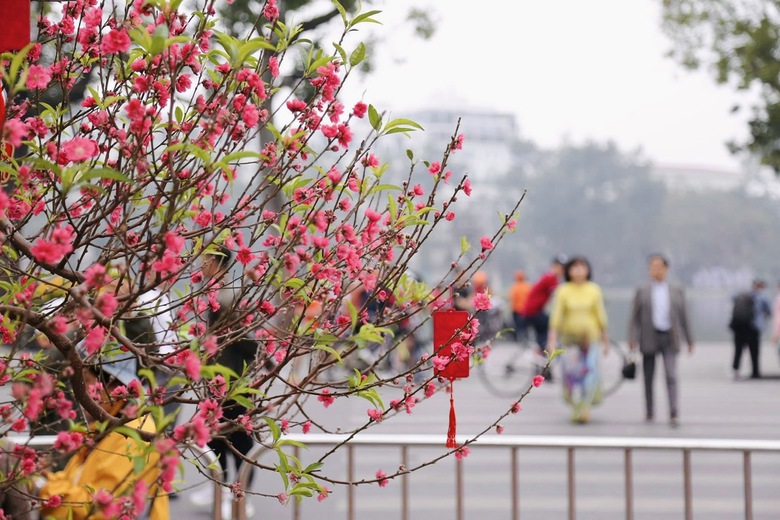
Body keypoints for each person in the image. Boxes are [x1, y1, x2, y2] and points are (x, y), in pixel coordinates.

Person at [33, 348, 169, 519]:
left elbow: (98, 509)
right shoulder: (107, 424)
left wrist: (41, 487)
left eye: (87, 382)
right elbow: (78, 479)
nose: (77, 392)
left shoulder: (134, 436)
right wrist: (48, 478)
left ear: (115, 387)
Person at [190, 246, 257, 518]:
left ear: (216, 262)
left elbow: (248, 341)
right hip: (217, 378)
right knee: (216, 437)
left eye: (204, 260)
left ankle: (239, 494)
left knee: (240, 439)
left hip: (232, 380)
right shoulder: (213, 292)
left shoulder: (227, 295)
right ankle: (220, 486)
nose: (200, 265)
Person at [628, 254, 694, 427]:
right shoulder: (642, 290)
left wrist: (689, 339)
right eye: (652, 267)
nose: (655, 270)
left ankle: (673, 412)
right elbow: (634, 317)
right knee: (648, 377)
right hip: (649, 336)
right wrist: (632, 338)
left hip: (669, 337)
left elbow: (684, 316)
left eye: (658, 267)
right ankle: (649, 411)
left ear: (666, 269)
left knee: (671, 375)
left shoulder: (676, 290)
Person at [547, 256, 609, 424]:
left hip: (590, 341)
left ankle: (583, 409)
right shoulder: (563, 290)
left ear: (588, 270)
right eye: (575, 266)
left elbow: (600, 315)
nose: (579, 270)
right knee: (571, 377)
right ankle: (575, 405)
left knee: (589, 376)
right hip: (570, 342)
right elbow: (556, 317)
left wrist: (605, 339)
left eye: (582, 266)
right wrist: (552, 340)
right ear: (569, 271)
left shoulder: (594, 290)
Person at [521, 255, 568, 359]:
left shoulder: (547, 276)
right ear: (554, 266)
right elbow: (559, 294)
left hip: (533, 311)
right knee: (551, 324)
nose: (563, 271)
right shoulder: (551, 278)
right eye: (561, 268)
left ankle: (540, 349)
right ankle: (542, 350)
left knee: (544, 326)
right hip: (532, 312)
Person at [729, 279, 771, 380]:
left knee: (738, 350)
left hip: (738, 327)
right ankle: (755, 372)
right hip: (753, 328)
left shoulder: (741, 294)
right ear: (761, 286)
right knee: (754, 351)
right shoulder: (761, 297)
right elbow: (769, 311)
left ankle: (736, 370)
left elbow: (731, 298)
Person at [508, 269, 532, 342]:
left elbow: (511, 298)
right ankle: (526, 338)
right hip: (526, 310)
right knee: (526, 326)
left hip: (516, 310)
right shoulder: (528, 286)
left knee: (518, 326)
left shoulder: (514, 287)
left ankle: (519, 339)